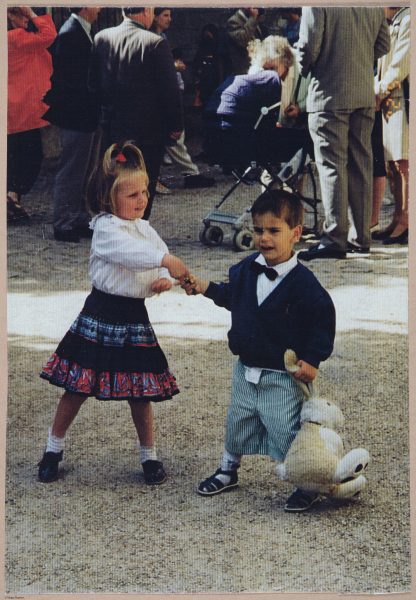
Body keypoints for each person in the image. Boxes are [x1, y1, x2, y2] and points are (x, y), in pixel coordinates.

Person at [38, 141, 191, 485]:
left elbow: (157, 251)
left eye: (145, 192)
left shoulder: (144, 228)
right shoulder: (106, 228)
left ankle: (149, 455)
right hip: (101, 312)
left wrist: (165, 277)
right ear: (108, 199)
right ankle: (53, 448)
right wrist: (163, 263)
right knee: (77, 386)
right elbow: (132, 254)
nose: (142, 200)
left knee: (141, 391)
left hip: (134, 317)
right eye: (132, 195)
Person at [181, 189, 336, 512]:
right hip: (246, 366)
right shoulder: (246, 269)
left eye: (273, 231)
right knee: (238, 420)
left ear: (296, 233)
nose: (264, 238)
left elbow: (322, 322)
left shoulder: (305, 286)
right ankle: (228, 469)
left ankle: (304, 481)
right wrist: (204, 287)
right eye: (258, 230)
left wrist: (313, 359)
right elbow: (231, 296)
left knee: (286, 427)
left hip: (282, 374)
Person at [295, 7, 390, 261]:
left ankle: (334, 238)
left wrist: (304, 70)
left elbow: (308, 46)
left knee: (331, 165)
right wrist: (358, 57)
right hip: (363, 92)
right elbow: (383, 45)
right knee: (361, 164)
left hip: (329, 92)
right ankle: (361, 237)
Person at [88, 7, 184, 221]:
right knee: (143, 185)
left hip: (113, 129)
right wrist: (176, 125)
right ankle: (137, 231)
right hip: (147, 133)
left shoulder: (101, 37)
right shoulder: (155, 42)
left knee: (115, 181)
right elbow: (170, 91)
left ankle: (115, 226)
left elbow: (93, 85)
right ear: (147, 11)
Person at [204, 36, 313, 171]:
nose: (268, 73)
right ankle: (271, 192)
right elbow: (251, 103)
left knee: (299, 164)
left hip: (298, 122)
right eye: (265, 69)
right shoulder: (257, 71)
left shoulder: (302, 68)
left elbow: (315, 94)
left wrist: (300, 107)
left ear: (286, 62)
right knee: (268, 162)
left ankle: (290, 192)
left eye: (273, 68)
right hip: (273, 129)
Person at [43, 7, 102, 243]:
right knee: (72, 170)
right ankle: (63, 223)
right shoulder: (70, 33)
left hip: (85, 113)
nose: (99, 8)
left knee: (85, 170)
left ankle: (77, 219)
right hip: (77, 114)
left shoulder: (79, 30)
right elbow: (70, 80)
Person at [150, 7, 215, 192]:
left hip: (169, 90)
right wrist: (173, 66)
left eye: (170, 15)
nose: (169, 19)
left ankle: (190, 174)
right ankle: (186, 175)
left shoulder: (162, 37)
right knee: (172, 135)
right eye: (165, 15)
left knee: (174, 137)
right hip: (160, 95)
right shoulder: (152, 38)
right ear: (154, 17)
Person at [7, 6, 56, 223]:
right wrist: (35, 15)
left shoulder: (14, 38)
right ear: (10, 15)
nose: (27, 19)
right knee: (31, 157)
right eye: (22, 14)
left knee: (15, 158)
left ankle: (12, 199)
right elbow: (49, 35)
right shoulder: (16, 36)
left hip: (17, 108)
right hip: (23, 110)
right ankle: (12, 197)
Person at [372, 6, 410, 245]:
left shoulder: (408, 18)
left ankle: (407, 220)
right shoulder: (394, 20)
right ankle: (398, 217)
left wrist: (379, 90)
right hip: (390, 99)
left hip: (402, 97)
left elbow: (402, 62)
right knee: (392, 165)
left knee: (403, 163)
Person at [226, 7, 268, 76]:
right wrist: (253, 19)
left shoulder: (251, 19)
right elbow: (243, 40)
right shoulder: (233, 21)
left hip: (256, 69)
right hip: (243, 72)